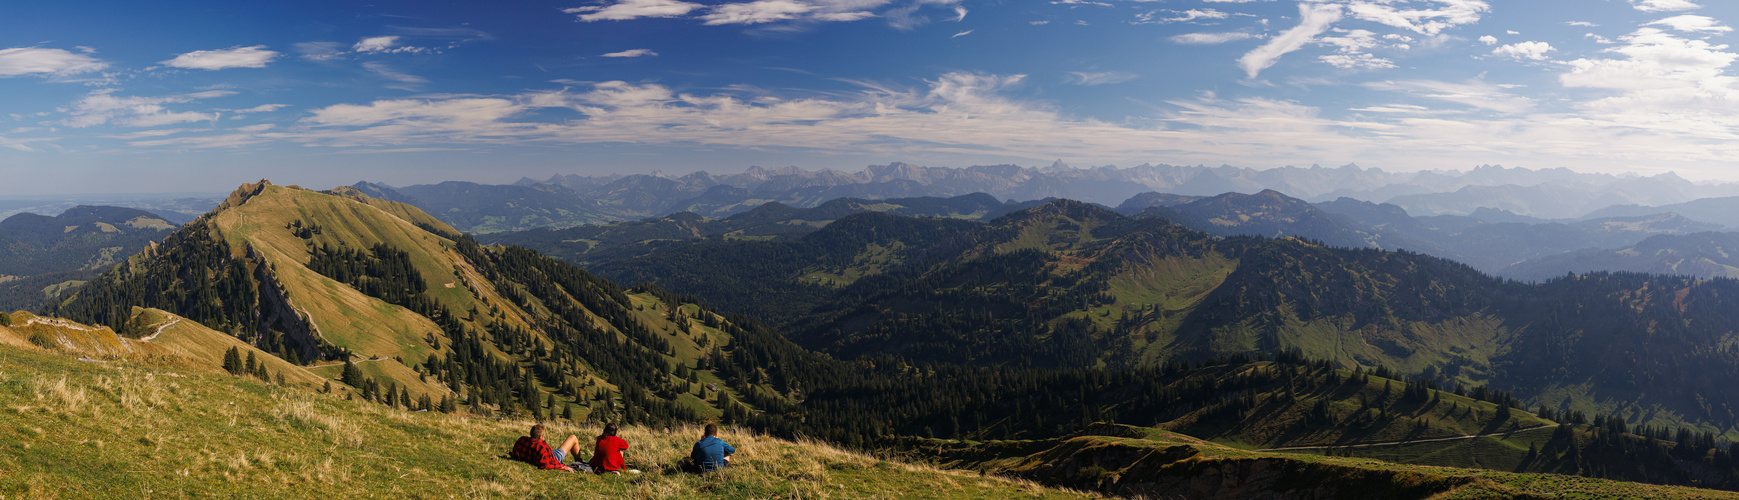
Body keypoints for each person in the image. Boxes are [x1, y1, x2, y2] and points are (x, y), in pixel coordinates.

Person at [509, 424, 583, 472]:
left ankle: (579, 461)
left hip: (542, 453)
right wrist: (563, 467)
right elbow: (546, 466)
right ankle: (579, 462)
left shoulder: (522, 440)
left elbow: (514, 453)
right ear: (541, 436)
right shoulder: (542, 448)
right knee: (573, 438)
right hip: (553, 457)